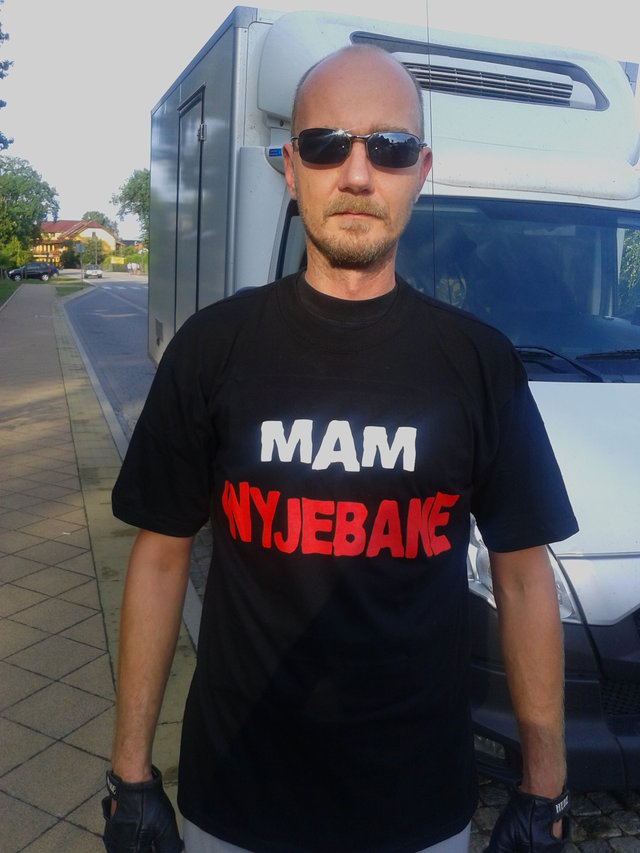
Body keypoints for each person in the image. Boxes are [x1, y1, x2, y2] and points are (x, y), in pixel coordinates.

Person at [102, 45, 577, 853]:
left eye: (388, 147)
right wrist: (129, 772)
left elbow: (525, 576)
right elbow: (159, 557)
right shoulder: (213, 348)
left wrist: (546, 781)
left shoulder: (479, 361)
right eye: (326, 145)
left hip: (418, 807)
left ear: (421, 169)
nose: (357, 174)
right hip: (236, 796)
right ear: (291, 168)